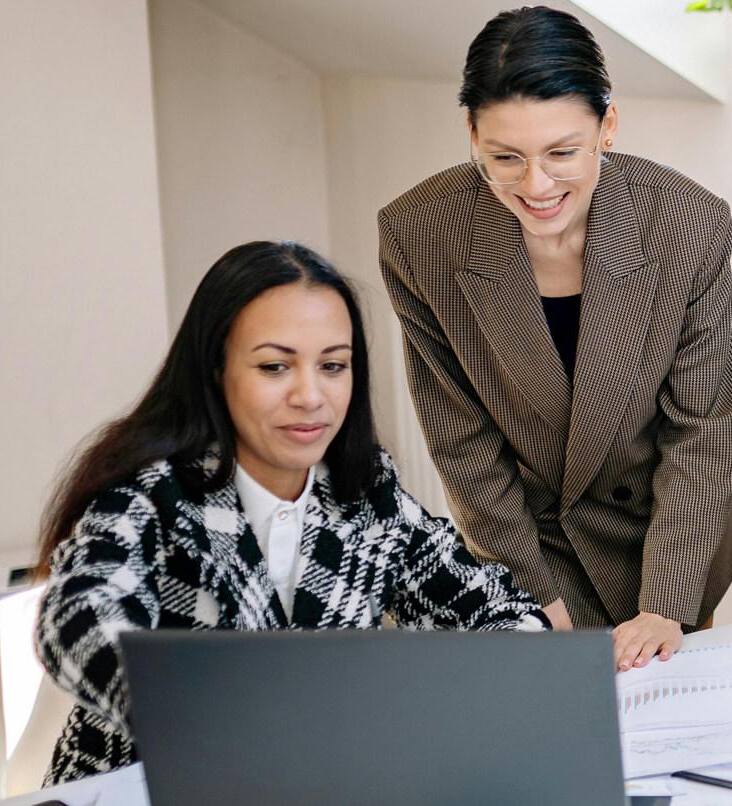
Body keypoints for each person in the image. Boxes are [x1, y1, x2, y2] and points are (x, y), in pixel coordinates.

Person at [33, 242, 545, 785]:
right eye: (275, 366)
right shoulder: (151, 489)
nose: (310, 395)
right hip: (146, 785)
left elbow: (487, 606)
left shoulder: (366, 490)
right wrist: (193, 714)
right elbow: (77, 615)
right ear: (215, 370)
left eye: (333, 366)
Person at [378, 6, 732, 671]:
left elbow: (701, 430)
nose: (536, 186)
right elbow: (461, 443)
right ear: (470, 133)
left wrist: (666, 602)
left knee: (677, 721)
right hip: (536, 536)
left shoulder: (688, 224)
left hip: (670, 526)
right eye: (505, 157)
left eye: (562, 153)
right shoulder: (418, 237)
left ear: (607, 125)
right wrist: (534, 598)